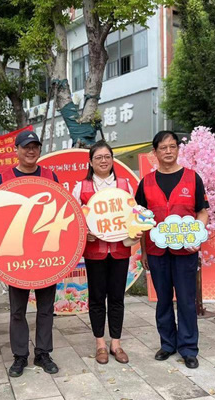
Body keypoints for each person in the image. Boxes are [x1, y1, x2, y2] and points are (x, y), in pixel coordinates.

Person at [135, 131, 209, 370]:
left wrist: (197, 235)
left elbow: (202, 211)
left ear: (178, 149)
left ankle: (188, 348)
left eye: (172, 146)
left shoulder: (192, 178)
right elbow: (141, 220)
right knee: (163, 299)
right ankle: (167, 344)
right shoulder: (146, 182)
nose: (168, 151)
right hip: (156, 252)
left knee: (186, 300)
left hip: (185, 251)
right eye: (163, 148)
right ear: (155, 152)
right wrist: (144, 251)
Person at [0, 130, 60, 378]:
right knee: (17, 309)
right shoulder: (3, 178)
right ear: (17, 150)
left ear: (40, 150)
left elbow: (60, 209)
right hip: (16, 253)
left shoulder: (50, 176)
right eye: (25, 147)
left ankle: (43, 353)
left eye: (35, 147)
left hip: (45, 251)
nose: (30, 151)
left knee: (46, 307)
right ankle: (20, 355)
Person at [72, 140, 140, 365]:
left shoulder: (124, 185)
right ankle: (100, 343)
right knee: (97, 298)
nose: (103, 161)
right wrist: (84, 232)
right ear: (90, 162)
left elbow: (134, 215)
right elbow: (74, 219)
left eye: (107, 157)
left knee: (117, 297)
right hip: (95, 252)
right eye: (98, 157)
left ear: (113, 160)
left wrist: (137, 228)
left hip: (120, 250)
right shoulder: (81, 187)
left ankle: (116, 343)